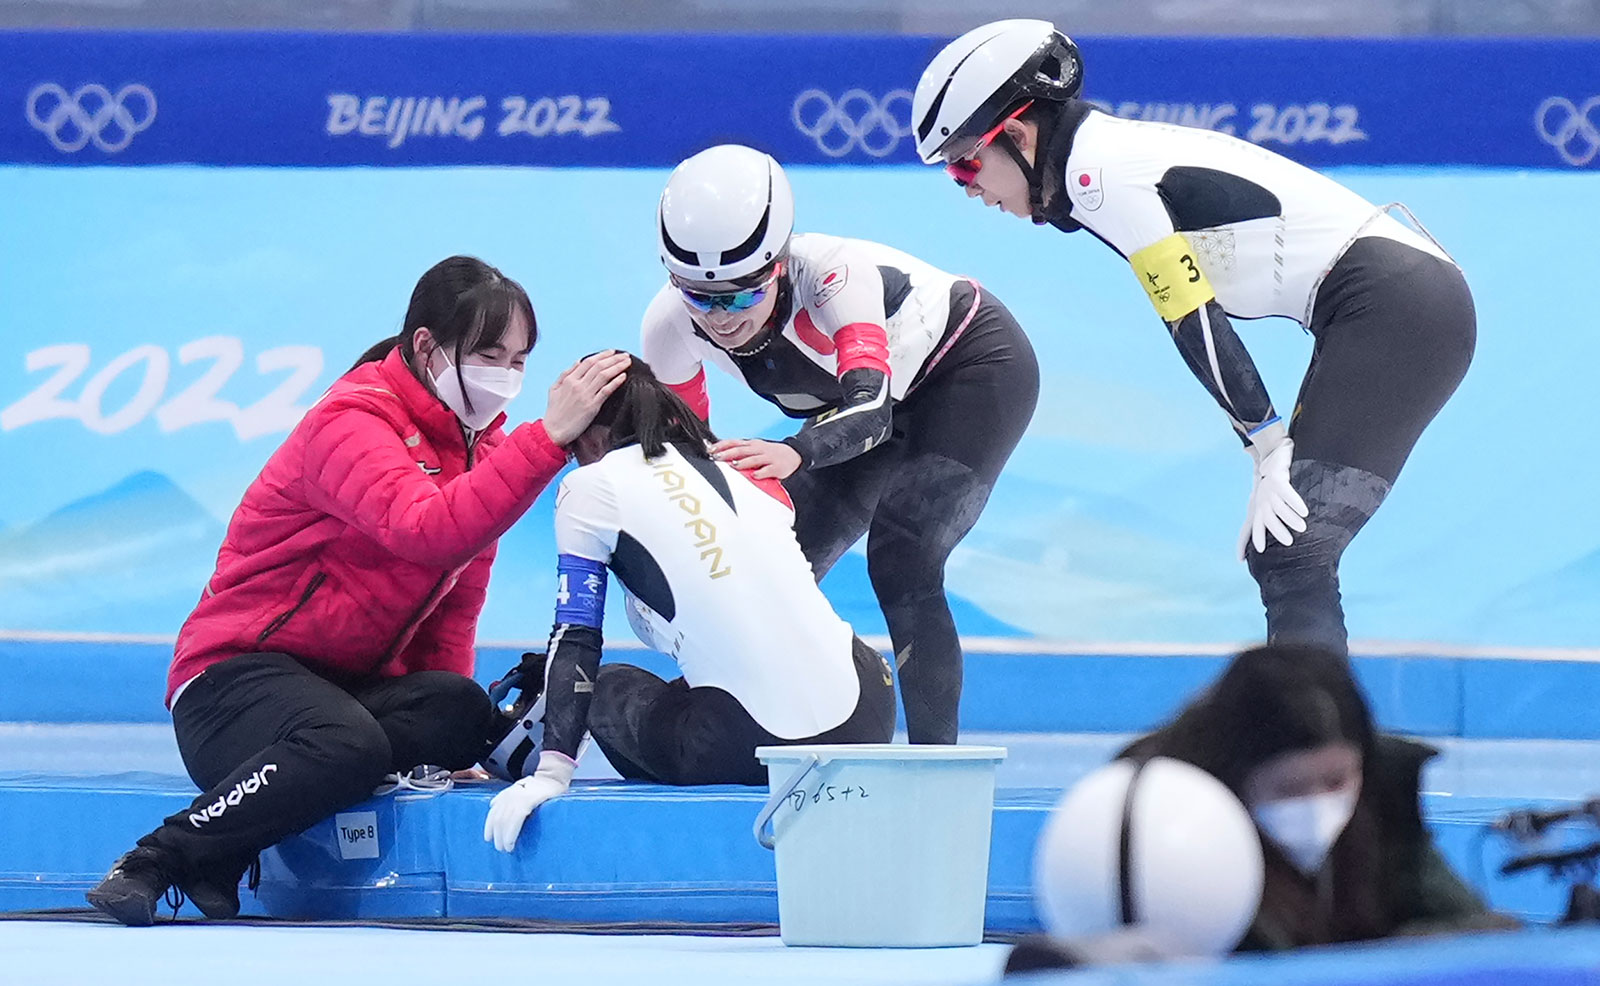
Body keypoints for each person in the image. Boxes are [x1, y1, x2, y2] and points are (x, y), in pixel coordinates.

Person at [85, 256, 630, 926]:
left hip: (336, 693)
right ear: (427, 346)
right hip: (229, 686)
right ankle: (157, 858)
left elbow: (454, 614)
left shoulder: (479, 454)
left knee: (459, 710)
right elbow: (427, 531)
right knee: (348, 744)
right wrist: (545, 439)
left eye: (520, 360)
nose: (508, 377)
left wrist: (444, 748)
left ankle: (230, 850)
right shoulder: (350, 422)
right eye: (490, 354)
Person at [912, 21, 1476, 657]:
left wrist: (1266, 444)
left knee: (1293, 552)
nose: (967, 189)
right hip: (1391, 301)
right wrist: (1265, 440)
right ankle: (1314, 739)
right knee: (1284, 554)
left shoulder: (1101, 174)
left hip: (1398, 306)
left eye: (965, 165)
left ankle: (1319, 748)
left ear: (1015, 133)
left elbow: (1193, 317)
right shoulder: (1094, 157)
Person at [642, 144, 1039, 745]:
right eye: (701, 295)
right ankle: (755, 723)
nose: (722, 318)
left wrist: (797, 451)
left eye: (743, 293)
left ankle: (936, 772)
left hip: (968, 366)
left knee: (904, 554)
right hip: (849, 417)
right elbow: (688, 459)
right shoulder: (667, 326)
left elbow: (872, 409)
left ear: (777, 265)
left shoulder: (832, 275)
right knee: (764, 566)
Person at [482, 357, 896, 852]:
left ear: (587, 437)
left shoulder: (589, 487)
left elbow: (576, 637)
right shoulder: (743, 469)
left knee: (609, 685)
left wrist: (551, 775)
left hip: (747, 743)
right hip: (869, 713)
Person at [1115, 643, 1513, 950]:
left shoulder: (1385, 787)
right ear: (1236, 777)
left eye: (1337, 782)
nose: (1317, 806)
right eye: (1288, 789)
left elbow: (1469, 929)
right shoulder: (1156, 822)